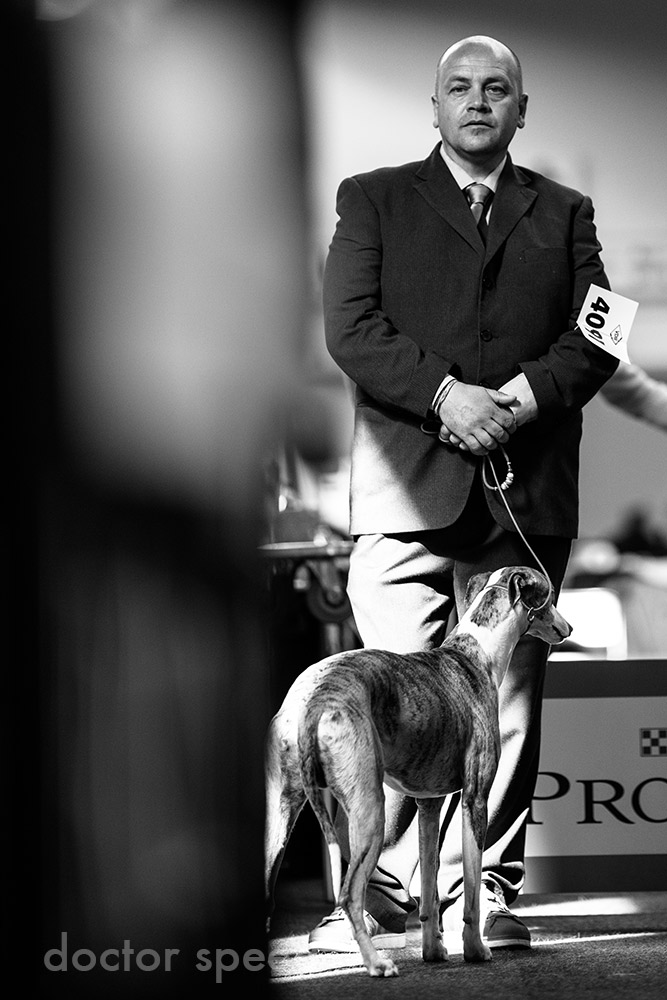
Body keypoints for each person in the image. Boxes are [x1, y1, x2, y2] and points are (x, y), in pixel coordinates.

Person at [307, 34, 619, 954]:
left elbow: (600, 333)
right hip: (404, 494)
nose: (477, 100)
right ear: (434, 106)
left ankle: (482, 887)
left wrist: (517, 399)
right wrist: (446, 396)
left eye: (496, 88)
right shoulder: (370, 198)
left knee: (506, 706)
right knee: (386, 704)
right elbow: (348, 327)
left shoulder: (566, 210)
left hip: (524, 494)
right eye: (459, 87)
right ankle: (375, 893)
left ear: (520, 110)